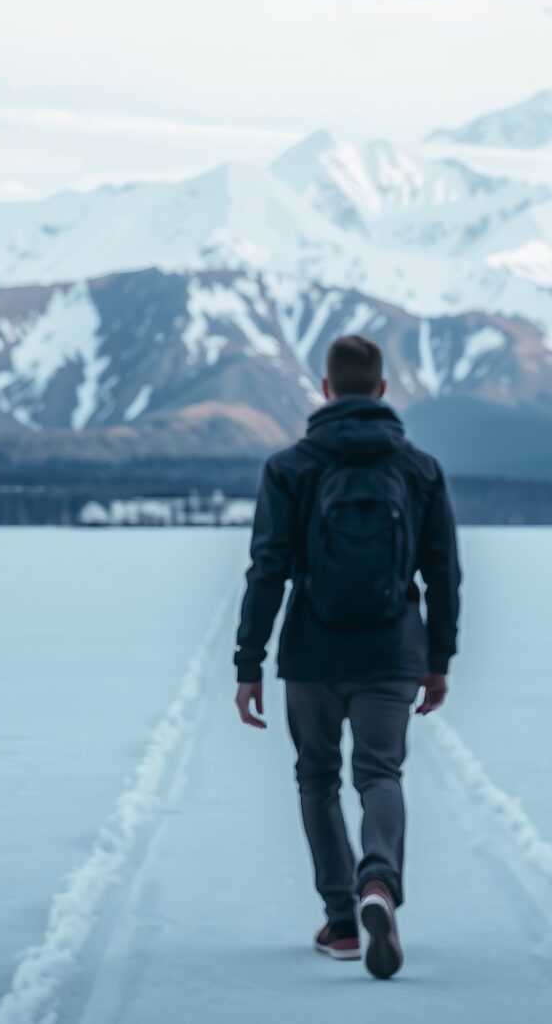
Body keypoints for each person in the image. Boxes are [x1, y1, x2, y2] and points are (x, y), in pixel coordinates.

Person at [233, 333, 461, 981]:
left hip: (310, 651)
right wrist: (438, 657)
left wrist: (248, 662)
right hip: (392, 650)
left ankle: (339, 921)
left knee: (317, 778)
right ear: (383, 389)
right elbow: (443, 572)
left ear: (326, 390)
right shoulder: (419, 468)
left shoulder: (289, 466)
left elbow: (267, 569)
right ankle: (378, 885)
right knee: (379, 774)